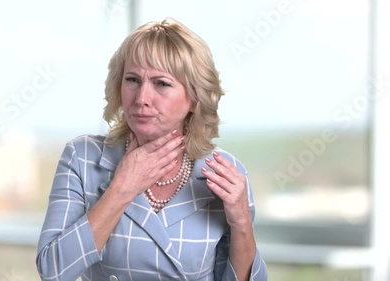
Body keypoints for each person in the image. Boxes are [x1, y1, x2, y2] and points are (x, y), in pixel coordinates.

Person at [36, 18, 268, 281]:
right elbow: (53, 271)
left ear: (194, 97)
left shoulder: (225, 172)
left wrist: (242, 226)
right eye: (132, 80)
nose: (141, 99)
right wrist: (123, 187)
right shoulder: (83, 157)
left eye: (162, 83)